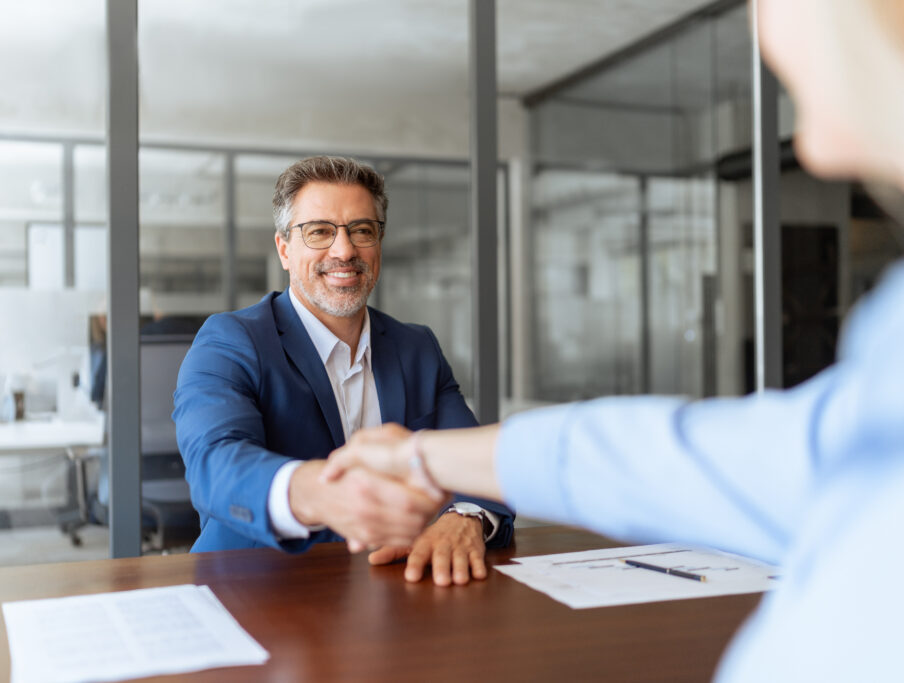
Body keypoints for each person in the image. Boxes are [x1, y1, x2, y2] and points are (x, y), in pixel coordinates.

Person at [323, 0, 904, 679]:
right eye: (318, 232)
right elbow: (733, 454)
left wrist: (458, 497)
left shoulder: (412, 342)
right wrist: (424, 460)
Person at [174, 155, 514, 586]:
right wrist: (317, 492)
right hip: (258, 591)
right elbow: (214, 463)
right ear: (284, 248)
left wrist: (465, 517)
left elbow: (476, 461)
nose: (344, 250)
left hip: (396, 593)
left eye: (362, 230)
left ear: (379, 244)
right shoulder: (231, 340)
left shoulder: (417, 348)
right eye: (319, 231)